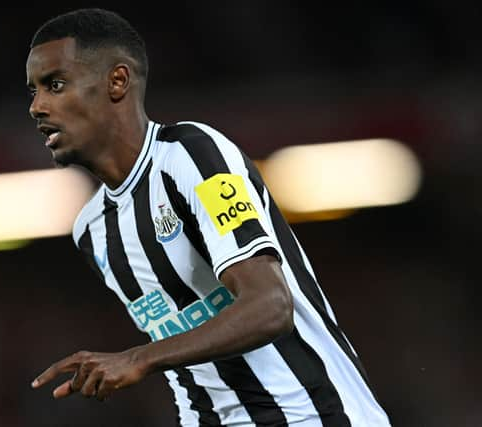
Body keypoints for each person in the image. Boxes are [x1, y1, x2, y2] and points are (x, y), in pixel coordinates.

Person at [25, 8, 390, 426]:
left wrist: (138, 358)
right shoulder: (91, 230)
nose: (37, 106)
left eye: (55, 85)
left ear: (117, 81)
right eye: (33, 92)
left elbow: (269, 305)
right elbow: (187, 360)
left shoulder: (193, 156)